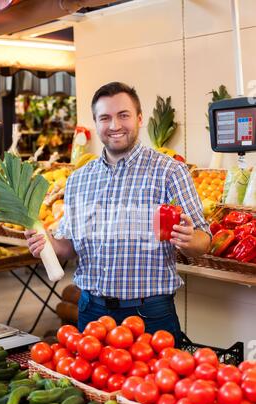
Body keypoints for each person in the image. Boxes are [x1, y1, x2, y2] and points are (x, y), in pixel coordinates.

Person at [25, 82, 211, 346]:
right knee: (93, 388)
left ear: (139, 118)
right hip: (91, 311)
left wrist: (189, 239)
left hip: (150, 314)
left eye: (123, 115)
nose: (114, 125)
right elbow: (68, 247)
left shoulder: (169, 172)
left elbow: (204, 242)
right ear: (96, 122)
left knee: (154, 387)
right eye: (105, 118)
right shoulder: (79, 180)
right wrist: (46, 244)